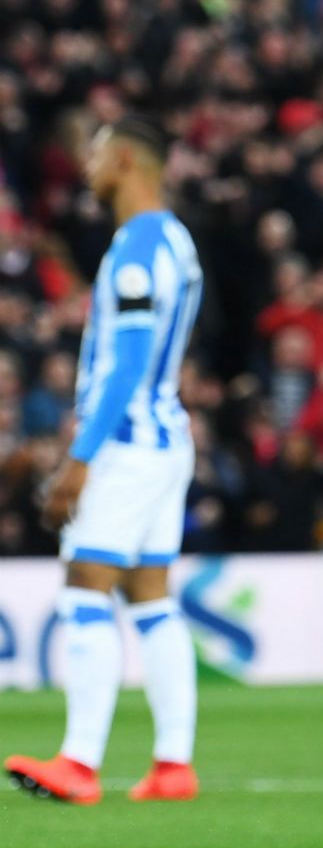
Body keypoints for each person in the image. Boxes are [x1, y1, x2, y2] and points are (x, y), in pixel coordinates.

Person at [6, 116, 205, 805]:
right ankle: (173, 765)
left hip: (128, 442)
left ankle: (80, 763)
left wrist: (81, 458)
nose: (84, 166)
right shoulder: (176, 240)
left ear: (124, 159)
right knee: (150, 595)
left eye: (92, 153)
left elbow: (128, 362)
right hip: (167, 437)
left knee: (85, 582)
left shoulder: (136, 248)